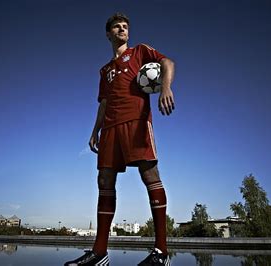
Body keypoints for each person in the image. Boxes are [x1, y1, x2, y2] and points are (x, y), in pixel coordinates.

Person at [65, 12, 175, 266]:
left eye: (125, 26)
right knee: (104, 179)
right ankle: (99, 252)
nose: (122, 29)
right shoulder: (104, 71)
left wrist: (166, 87)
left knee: (150, 175)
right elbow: (103, 102)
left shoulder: (139, 52)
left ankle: (161, 252)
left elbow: (168, 62)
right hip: (110, 128)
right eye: (117, 27)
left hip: (136, 121)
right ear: (108, 34)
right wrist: (95, 130)